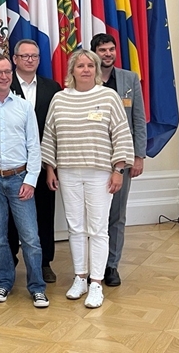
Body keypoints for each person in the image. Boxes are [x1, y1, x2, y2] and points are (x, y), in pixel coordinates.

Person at [41, 49, 134, 309]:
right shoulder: (60, 99)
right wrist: (50, 168)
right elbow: (50, 135)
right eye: (80, 65)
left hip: (100, 172)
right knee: (76, 227)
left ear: (96, 70)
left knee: (98, 228)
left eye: (90, 66)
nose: (85, 70)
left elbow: (121, 134)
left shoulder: (108, 97)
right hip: (68, 172)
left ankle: (96, 283)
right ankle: (79, 277)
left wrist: (118, 169)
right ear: (72, 71)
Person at [0, 55, 49, 308]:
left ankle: (37, 287)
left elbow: (33, 146)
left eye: (7, 72)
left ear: (11, 74)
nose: (3, 76)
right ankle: (3, 282)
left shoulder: (24, 107)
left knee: (31, 238)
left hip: (19, 179)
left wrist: (31, 180)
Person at [91, 34, 147, 287]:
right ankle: (91, 267)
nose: (108, 54)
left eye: (111, 49)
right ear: (94, 53)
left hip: (122, 159)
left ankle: (111, 265)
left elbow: (139, 119)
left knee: (117, 214)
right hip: (92, 158)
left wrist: (138, 156)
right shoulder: (84, 78)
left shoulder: (129, 79)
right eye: (103, 50)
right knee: (91, 216)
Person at [7, 40, 62, 283]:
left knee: (44, 212)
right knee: (9, 215)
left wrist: (52, 164)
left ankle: (44, 262)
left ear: (39, 60)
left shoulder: (53, 88)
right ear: (15, 59)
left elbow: (57, 127)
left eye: (34, 56)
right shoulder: (3, 85)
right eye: (24, 56)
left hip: (42, 162)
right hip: (11, 162)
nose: (30, 60)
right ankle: (9, 260)